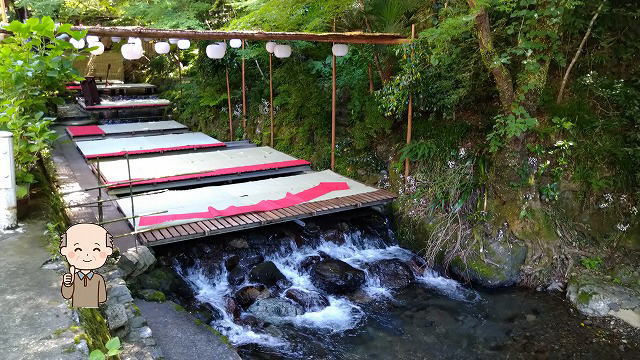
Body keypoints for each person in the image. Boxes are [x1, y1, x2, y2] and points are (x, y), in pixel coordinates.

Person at [59, 223, 113, 308]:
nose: (87, 254)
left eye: (96, 249)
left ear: (107, 251)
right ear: (65, 250)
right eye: (78, 249)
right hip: (86, 306)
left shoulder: (97, 279)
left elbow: (67, 295)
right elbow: (102, 298)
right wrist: (67, 284)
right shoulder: (75, 278)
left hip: (87, 306)